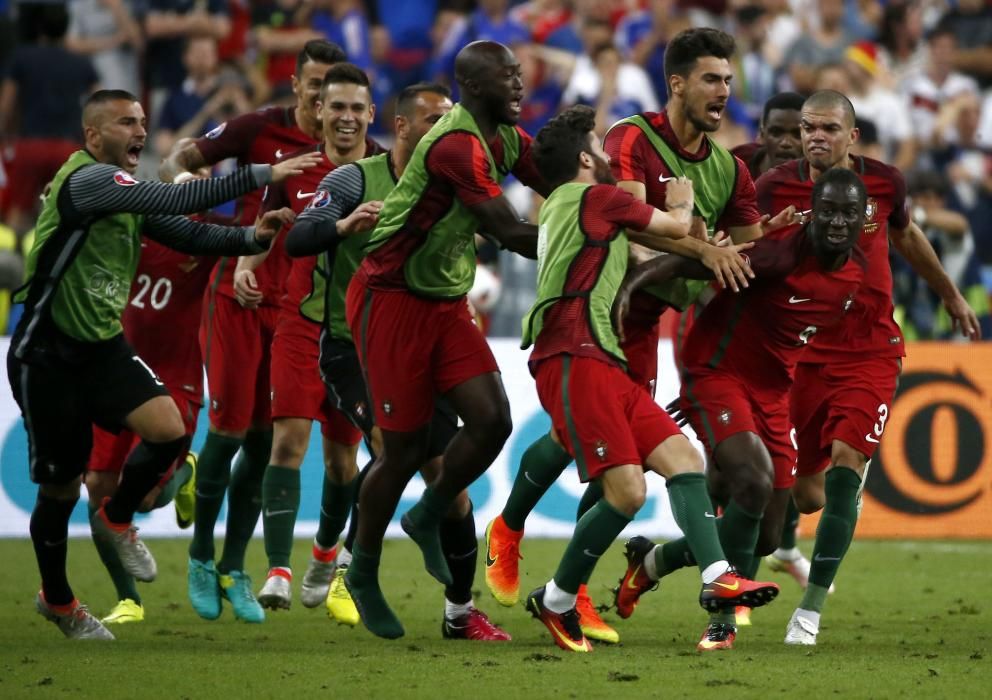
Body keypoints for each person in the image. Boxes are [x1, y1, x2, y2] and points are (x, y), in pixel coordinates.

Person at [484, 27, 767, 644]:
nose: (723, 91)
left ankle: (573, 593)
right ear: (678, 84)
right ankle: (510, 530)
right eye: (711, 79)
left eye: (728, 80)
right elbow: (639, 240)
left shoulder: (730, 171)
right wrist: (701, 243)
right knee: (606, 464)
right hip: (599, 317)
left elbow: (746, 257)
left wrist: (736, 247)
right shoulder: (629, 140)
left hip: (635, 329)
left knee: (634, 461)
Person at [7, 89, 319, 640]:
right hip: (48, 354)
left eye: (143, 122)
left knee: (170, 431)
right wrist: (261, 174)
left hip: (101, 347)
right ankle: (57, 600)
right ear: (93, 136)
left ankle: (118, 518)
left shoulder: (125, 199)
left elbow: (188, 232)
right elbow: (173, 203)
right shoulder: (88, 181)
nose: (140, 132)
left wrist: (253, 235)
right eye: (126, 122)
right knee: (58, 491)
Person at [284, 81, 511, 641]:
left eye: (450, 120)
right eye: (434, 120)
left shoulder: (457, 178)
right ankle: (354, 570)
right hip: (354, 345)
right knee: (391, 445)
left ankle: (459, 610)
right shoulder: (354, 178)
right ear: (403, 126)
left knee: (451, 481)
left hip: (427, 335)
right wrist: (343, 224)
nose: (447, 132)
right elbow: (300, 238)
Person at [343, 40, 551, 640]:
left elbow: (562, 183)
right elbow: (510, 231)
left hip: (443, 300)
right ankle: (362, 570)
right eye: (508, 78)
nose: (520, 85)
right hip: (392, 299)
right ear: (475, 86)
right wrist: (597, 237)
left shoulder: (507, 137)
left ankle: (429, 512)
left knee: (492, 420)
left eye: (519, 75)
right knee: (403, 451)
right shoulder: (456, 144)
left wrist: (607, 186)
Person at [755, 90, 980, 645]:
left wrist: (949, 294)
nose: (816, 137)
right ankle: (794, 536)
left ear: (852, 135)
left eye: (829, 127)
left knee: (846, 463)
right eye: (809, 127)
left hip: (872, 351)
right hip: (803, 352)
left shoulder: (885, 183)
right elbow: (745, 250)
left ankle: (808, 612)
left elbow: (905, 236)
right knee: (807, 495)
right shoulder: (774, 188)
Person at [611, 167, 869, 651]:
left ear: (863, 219)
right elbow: (697, 263)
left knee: (767, 536)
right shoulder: (778, 252)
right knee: (750, 481)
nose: (837, 221)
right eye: (829, 210)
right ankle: (722, 622)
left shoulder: (855, 274)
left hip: (772, 392)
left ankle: (650, 563)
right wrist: (632, 285)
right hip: (717, 371)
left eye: (848, 213)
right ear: (814, 211)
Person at [158, 39, 348, 624]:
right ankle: (197, 555)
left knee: (265, 442)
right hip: (237, 290)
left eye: (332, 91)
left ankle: (234, 566)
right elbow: (178, 163)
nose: (323, 99)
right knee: (231, 428)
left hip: (295, 308)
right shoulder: (259, 132)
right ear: (295, 86)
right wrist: (202, 222)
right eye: (314, 86)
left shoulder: (348, 158)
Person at [232, 63, 378, 612]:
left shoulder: (386, 170)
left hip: (358, 334)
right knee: (287, 442)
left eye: (355, 108)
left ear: (369, 113)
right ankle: (277, 571)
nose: (345, 117)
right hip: (298, 325)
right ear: (318, 110)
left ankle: (323, 553)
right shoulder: (293, 170)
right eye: (335, 106)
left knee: (344, 461)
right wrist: (248, 264)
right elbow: (269, 227)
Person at [85, 174, 220, 625]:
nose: (188, 192)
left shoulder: (205, 236)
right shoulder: (132, 224)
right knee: (98, 488)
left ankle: (185, 473)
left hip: (175, 379)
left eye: (198, 184)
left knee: (142, 499)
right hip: (116, 371)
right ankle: (128, 600)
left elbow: (257, 236)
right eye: (181, 182)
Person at [731, 91, 804, 181]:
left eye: (797, 134)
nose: (786, 143)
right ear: (762, 134)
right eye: (776, 133)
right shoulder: (737, 161)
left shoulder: (819, 179)